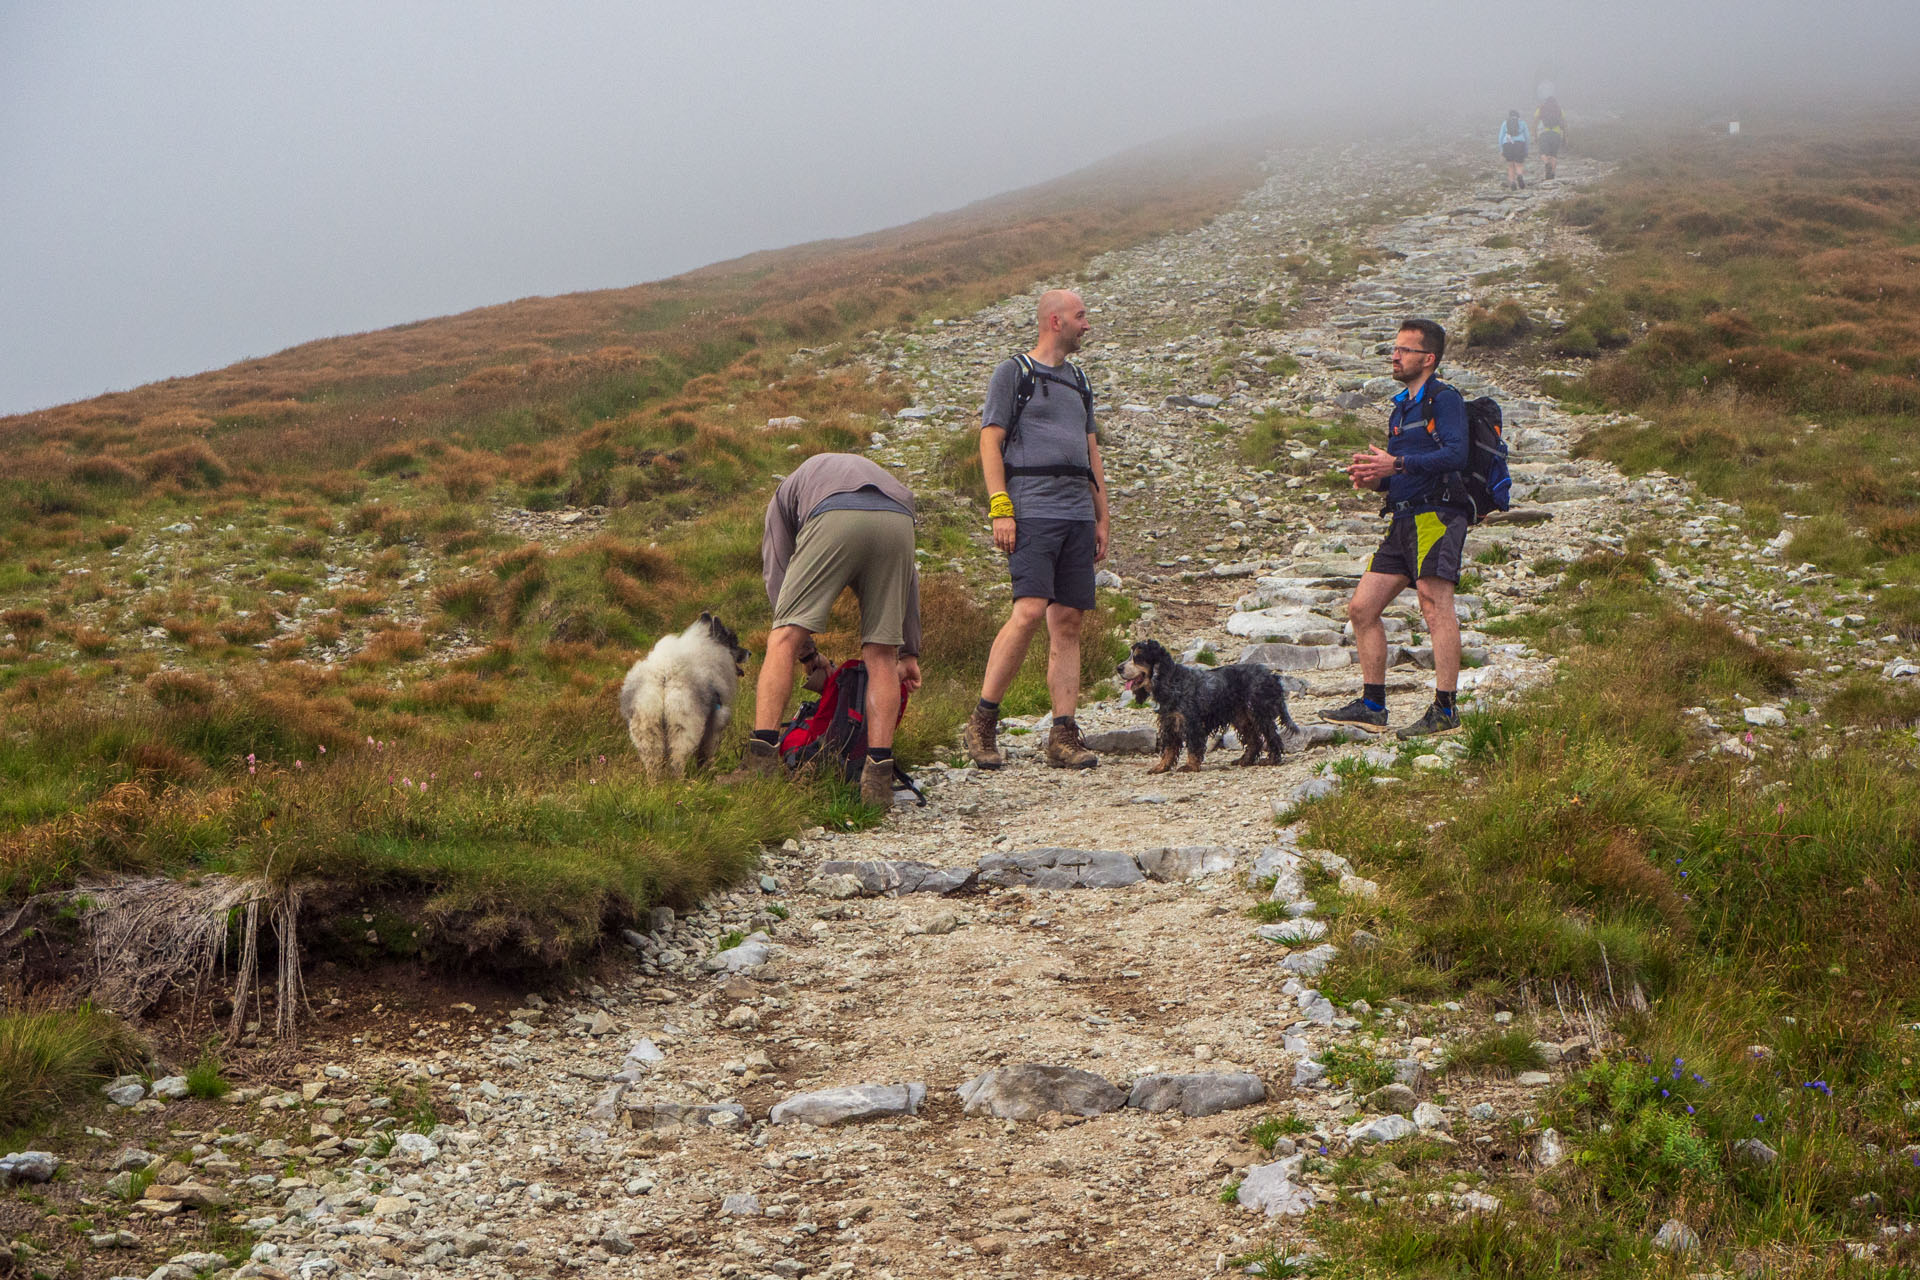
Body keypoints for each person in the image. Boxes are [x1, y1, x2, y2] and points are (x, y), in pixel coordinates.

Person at [962, 289, 1110, 770]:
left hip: (1076, 514)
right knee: (1027, 611)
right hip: (1032, 508)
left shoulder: (1080, 380)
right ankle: (982, 723)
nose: (1086, 324)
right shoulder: (1015, 373)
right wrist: (1000, 506)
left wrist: (1102, 515)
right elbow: (990, 438)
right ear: (1054, 320)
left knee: (1068, 621)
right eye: (1080, 316)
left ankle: (1063, 735)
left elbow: (1092, 453)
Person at [728, 452, 923, 806]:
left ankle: (759, 763)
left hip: (834, 514)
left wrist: (806, 653)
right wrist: (909, 651)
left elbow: (777, 575)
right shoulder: (871, 476)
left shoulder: (783, 498)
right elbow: (910, 580)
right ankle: (877, 780)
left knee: (783, 638)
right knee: (882, 653)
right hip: (899, 518)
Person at [1321, 318, 1470, 740]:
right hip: (1403, 517)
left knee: (1433, 603)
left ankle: (1445, 709)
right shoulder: (1401, 406)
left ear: (1428, 358)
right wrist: (1378, 479)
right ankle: (1372, 705)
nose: (1395, 355)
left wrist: (1396, 464)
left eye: (1404, 350)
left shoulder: (1444, 399)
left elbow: (1456, 454)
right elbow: (1405, 468)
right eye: (1395, 348)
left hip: (1436, 515)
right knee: (1362, 609)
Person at [1534, 96, 1565, 180]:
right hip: (1556, 133)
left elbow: (1535, 122)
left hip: (1544, 133)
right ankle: (1552, 174)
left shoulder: (1541, 108)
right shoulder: (1559, 109)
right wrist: (1565, 136)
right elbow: (1564, 123)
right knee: (1553, 155)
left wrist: (1535, 135)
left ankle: (1547, 163)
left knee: (1543, 153)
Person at [1499, 109, 1530, 190]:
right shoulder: (1522, 123)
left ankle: (1512, 183)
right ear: (1518, 116)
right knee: (1519, 164)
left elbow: (1500, 137)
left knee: (1510, 165)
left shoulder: (1505, 123)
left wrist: (1501, 149)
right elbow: (1527, 137)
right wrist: (1526, 149)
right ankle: (1519, 175)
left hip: (1507, 144)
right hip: (1519, 144)